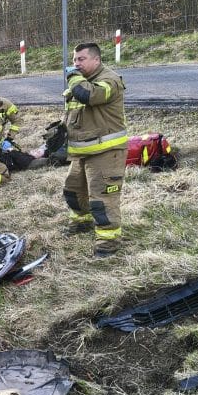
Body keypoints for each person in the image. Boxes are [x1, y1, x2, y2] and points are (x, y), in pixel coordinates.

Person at [61, 42, 128, 257]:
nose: (76, 64)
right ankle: (81, 224)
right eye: (74, 60)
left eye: (81, 59)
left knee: (102, 200)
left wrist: (73, 78)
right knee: (73, 192)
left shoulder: (108, 80)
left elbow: (88, 95)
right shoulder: (82, 82)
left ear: (96, 60)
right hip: (82, 152)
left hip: (106, 152)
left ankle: (108, 242)